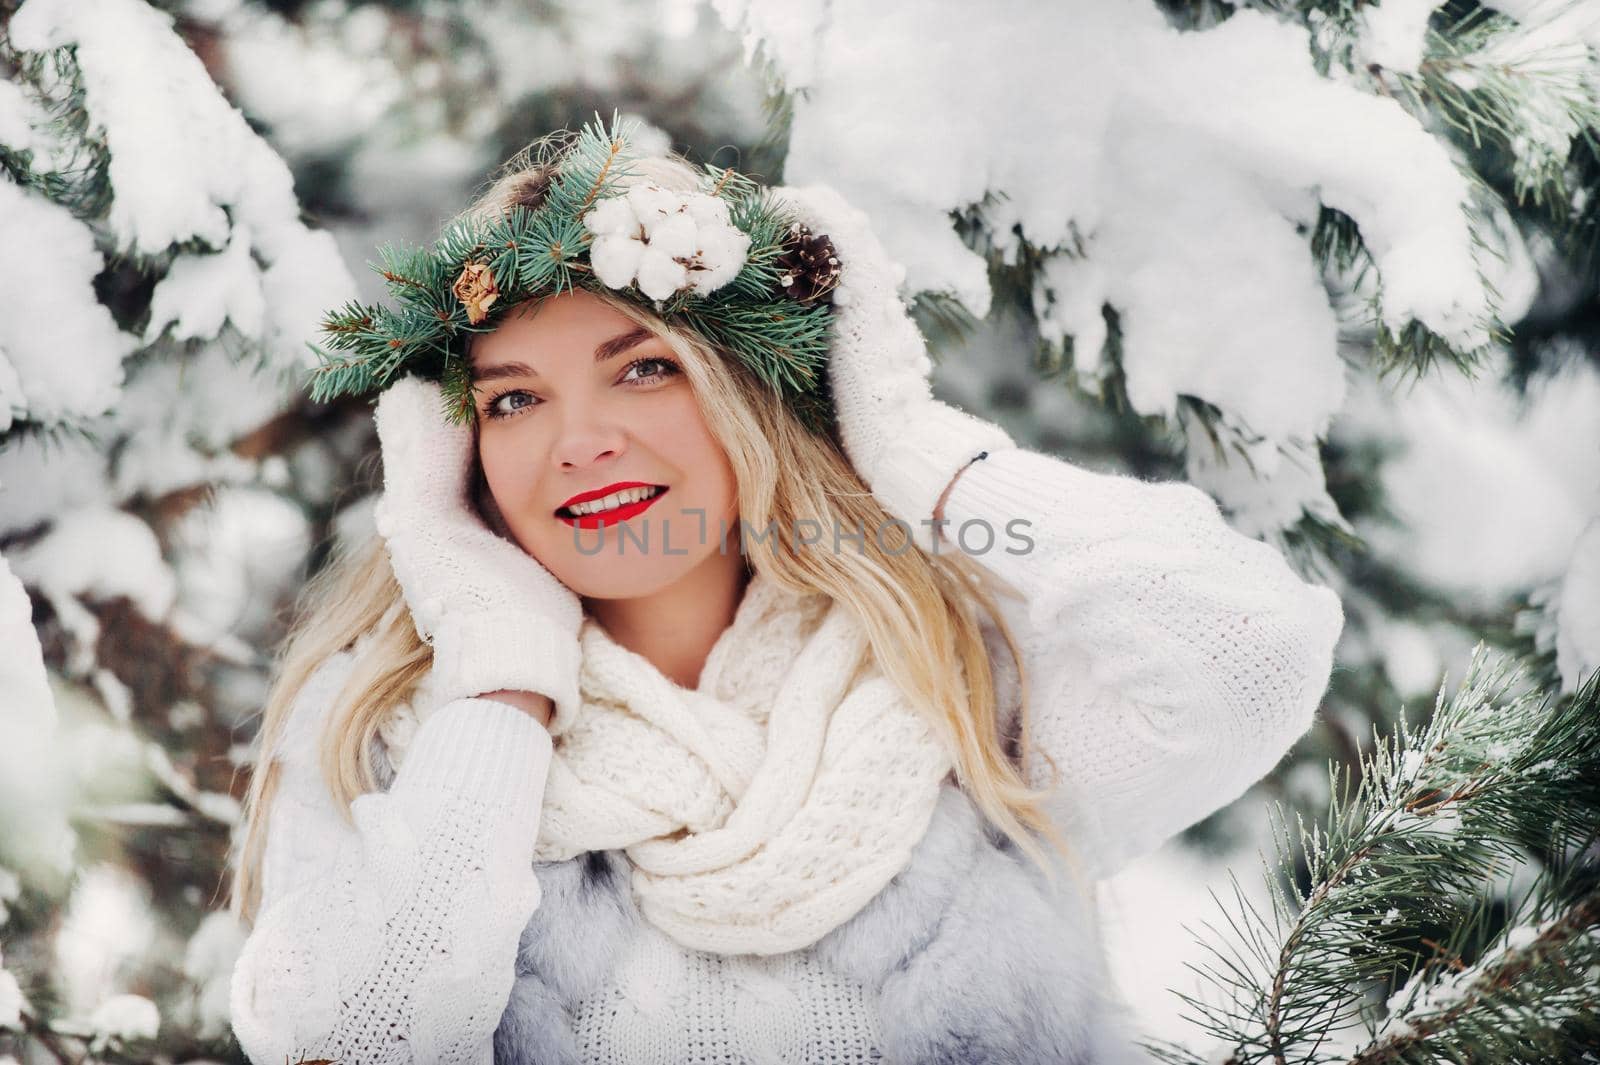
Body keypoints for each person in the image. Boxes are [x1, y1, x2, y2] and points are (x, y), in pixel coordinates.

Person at [227, 129, 1346, 1065]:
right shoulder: (388, 730)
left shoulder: (954, 679)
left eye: (645, 367)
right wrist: (500, 672)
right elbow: (352, 1039)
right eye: (515, 401)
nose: (578, 443)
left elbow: (1250, 652)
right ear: (454, 452)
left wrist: (917, 454)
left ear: (753, 391)